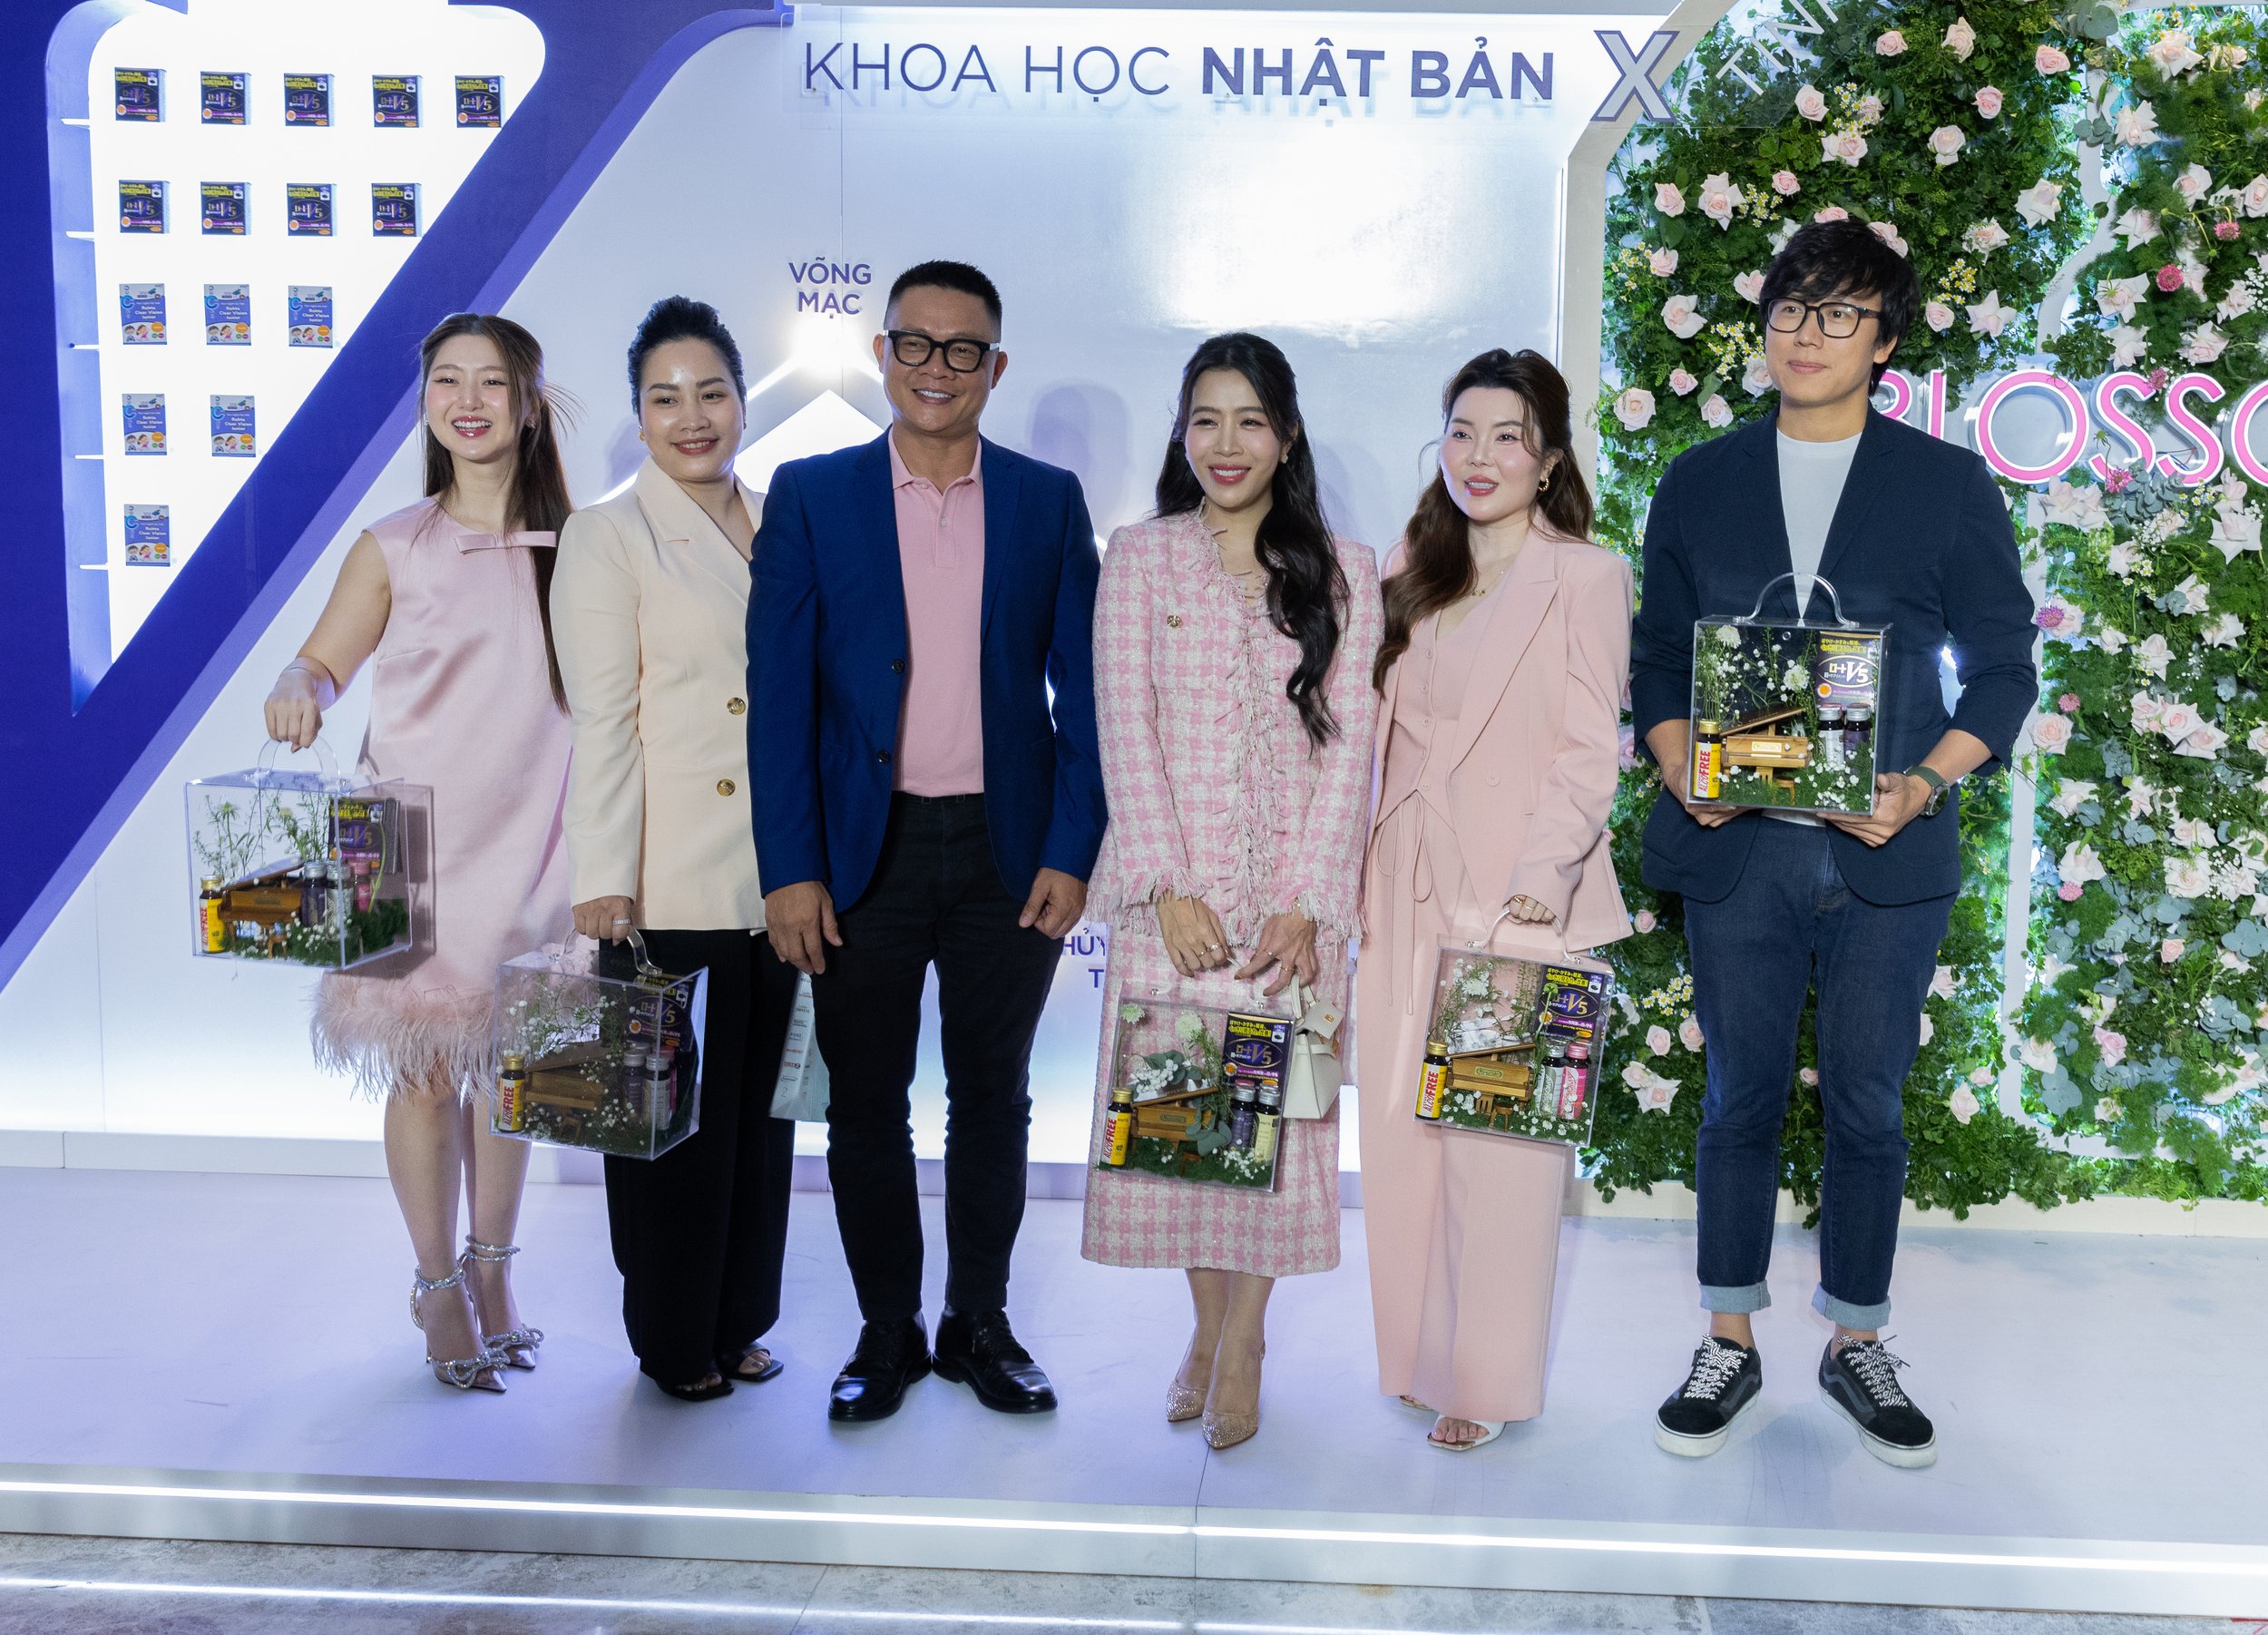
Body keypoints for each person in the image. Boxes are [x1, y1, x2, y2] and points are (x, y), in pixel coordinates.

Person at [1631, 220, 2037, 1469]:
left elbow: (2007, 670)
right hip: (1739, 848)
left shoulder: (1944, 482)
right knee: (1738, 1100)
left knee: (1867, 1106)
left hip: (1882, 859)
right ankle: (1728, 1337)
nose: (1805, 334)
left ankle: (1856, 1334)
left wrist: (1919, 783)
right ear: (1763, 326)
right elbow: (1654, 660)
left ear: (1887, 340)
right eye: (1790, 308)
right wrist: (1678, 761)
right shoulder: (1700, 480)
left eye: (1838, 313)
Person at [750, 260, 1106, 1424]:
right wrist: (791, 867)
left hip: (1009, 853)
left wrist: (1071, 845)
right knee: (864, 1103)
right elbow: (781, 697)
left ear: (995, 369)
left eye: (965, 350)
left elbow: (1085, 694)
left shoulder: (1050, 502)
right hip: (865, 854)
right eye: (916, 343)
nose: (938, 368)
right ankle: (888, 1328)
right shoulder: (809, 497)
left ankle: (979, 1320)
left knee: (994, 1097)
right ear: (881, 353)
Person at [1080, 334, 1382, 1451]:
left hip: (1292, 917)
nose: (1225, 442)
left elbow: (1349, 751)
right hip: (1176, 909)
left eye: (1249, 420)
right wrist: (1162, 884)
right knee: (1188, 1135)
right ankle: (1202, 1330)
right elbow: (1124, 726)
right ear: (1181, 432)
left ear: (1286, 436)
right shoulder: (1139, 556)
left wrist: (1306, 901)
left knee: (1276, 1136)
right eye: (1205, 418)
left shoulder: (1342, 570)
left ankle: (1245, 1338)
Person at [265, 313, 573, 1393]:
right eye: (449, 380)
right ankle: (435, 1281)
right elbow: (319, 661)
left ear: (529, 402)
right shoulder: (392, 542)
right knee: (428, 1070)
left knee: (514, 1071)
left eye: (494, 381)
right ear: (429, 403)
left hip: (542, 835)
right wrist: (299, 689)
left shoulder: (580, 541)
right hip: (414, 844)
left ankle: (495, 1271)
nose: (470, 399)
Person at [1357, 348, 1632, 1452]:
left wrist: (1537, 885)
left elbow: (1584, 751)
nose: (1480, 455)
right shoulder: (1407, 565)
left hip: (1519, 894)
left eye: (1507, 435)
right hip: (1401, 880)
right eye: (1460, 431)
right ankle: (1419, 1357)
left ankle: (1486, 1375)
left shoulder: (1586, 575)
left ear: (1549, 455)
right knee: (1403, 1137)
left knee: (1502, 1151)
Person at [552, 296, 797, 1403]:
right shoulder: (611, 532)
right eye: (665, 397)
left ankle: (740, 1318)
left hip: (779, 877)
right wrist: (602, 874)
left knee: (759, 1121)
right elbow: (601, 717)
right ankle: (670, 1339)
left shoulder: (781, 515)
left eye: (711, 392)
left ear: (743, 400)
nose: (691, 416)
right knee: (664, 1134)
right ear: (638, 417)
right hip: (661, 879)